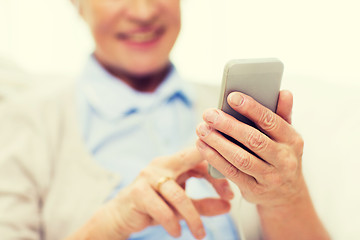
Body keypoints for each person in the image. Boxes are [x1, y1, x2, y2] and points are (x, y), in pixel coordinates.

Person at [0, 0, 330, 239]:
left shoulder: (237, 108)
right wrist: (112, 223)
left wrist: (287, 196)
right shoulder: (25, 120)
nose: (144, 12)